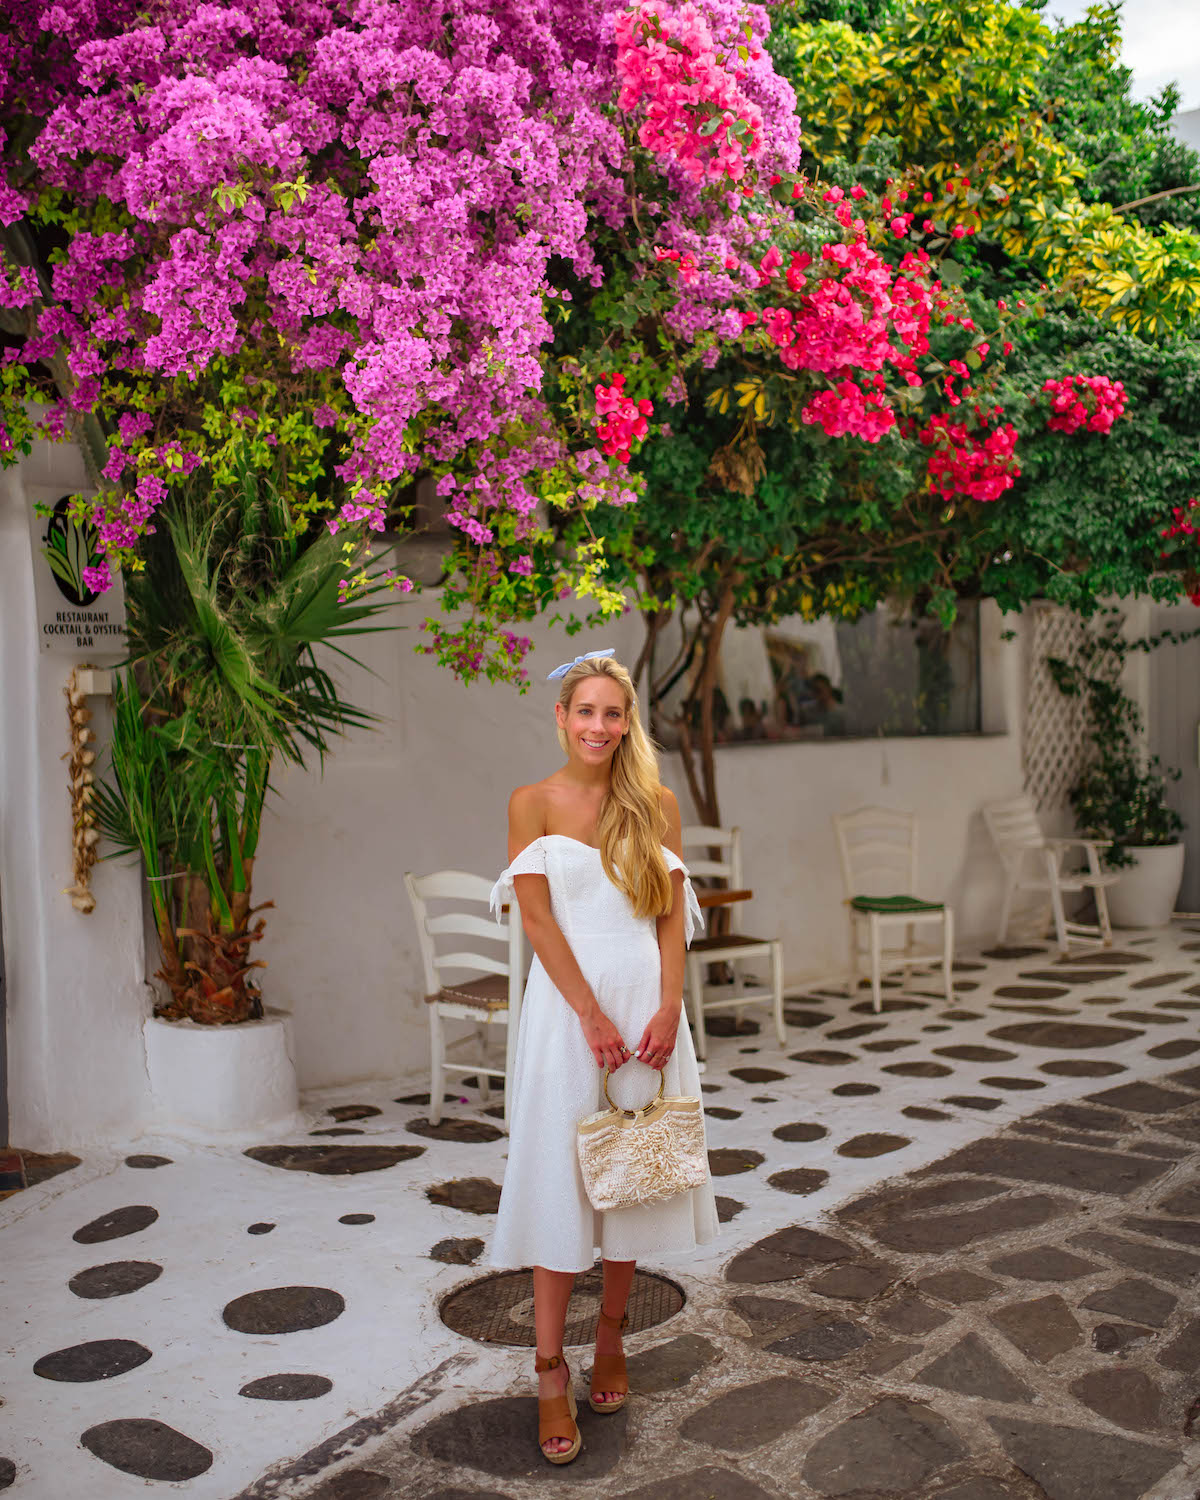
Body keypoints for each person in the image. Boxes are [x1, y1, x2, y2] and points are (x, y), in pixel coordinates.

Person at [488, 649, 718, 1465]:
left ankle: (611, 1339)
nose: (598, 726)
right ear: (561, 717)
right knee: (561, 1181)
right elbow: (540, 925)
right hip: (566, 1016)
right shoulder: (532, 803)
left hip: (647, 1014)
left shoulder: (654, 803)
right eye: (584, 711)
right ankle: (550, 1370)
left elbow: (667, 917)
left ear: (628, 723)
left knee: (632, 1176)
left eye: (612, 714)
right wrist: (588, 1013)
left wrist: (667, 1007)